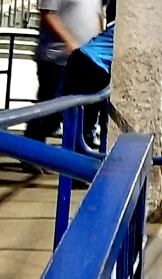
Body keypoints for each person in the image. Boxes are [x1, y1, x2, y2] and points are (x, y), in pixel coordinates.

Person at [24, 0, 104, 165]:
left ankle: (78, 164)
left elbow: (97, 15)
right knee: (49, 113)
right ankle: (29, 154)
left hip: (86, 60)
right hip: (57, 59)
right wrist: (69, 42)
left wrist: (98, 42)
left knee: (84, 115)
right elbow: (47, 14)